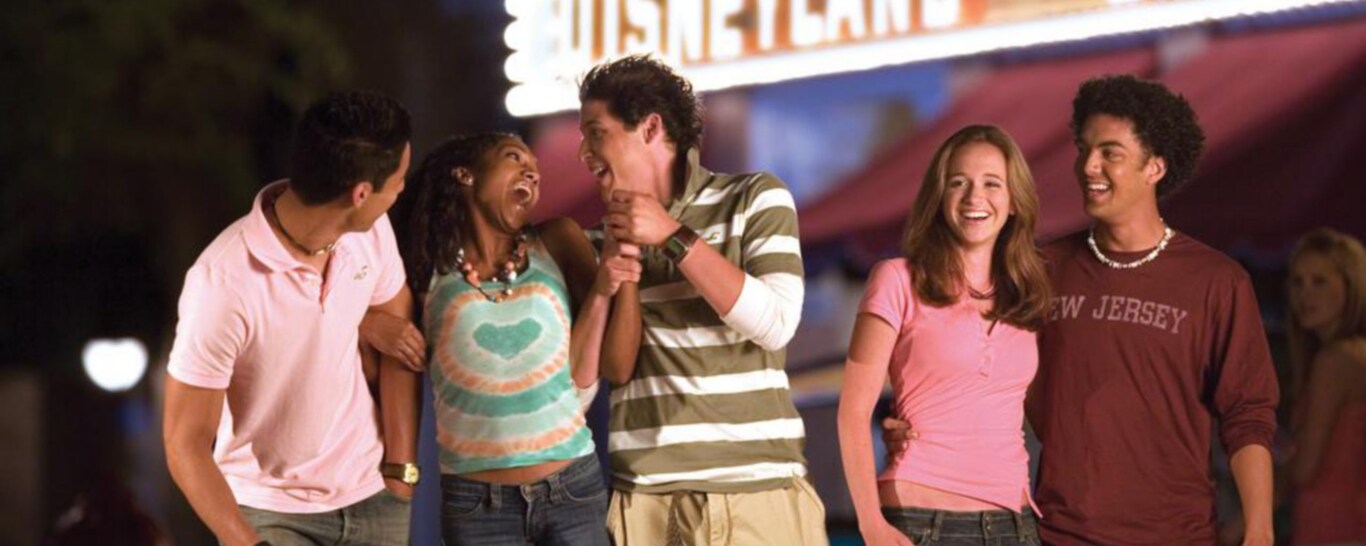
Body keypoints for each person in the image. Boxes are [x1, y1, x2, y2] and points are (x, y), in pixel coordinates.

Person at [576, 55, 827, 545]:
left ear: (650, 128)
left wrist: (672, 236)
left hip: (760, 491)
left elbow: (776, 325)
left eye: (596, 133)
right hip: (646, 502)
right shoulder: (594, 245)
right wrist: (605, 283)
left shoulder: (755, 198)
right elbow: (578, 395)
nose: (583, 152)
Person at [162, 91, 420, 546]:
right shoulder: (222, 284)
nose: (400, 191)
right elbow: (185, 442)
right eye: (398, 182)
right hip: (270, 515)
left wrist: (401, 473)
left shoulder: (370, 231)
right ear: (360, 193)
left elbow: (400, 339)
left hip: (373, 500)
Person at [360, 132, 639, 545]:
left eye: (536, 170)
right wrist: (367, 323)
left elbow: (617, 365)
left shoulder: (557, 240)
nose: (532, 173)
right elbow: (370, 348)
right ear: (465, 175)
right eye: (514, 157)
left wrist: (625, 272)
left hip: (573, 492)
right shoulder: (422, 264)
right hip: (476, 506)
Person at [839, 125, 1051, 546]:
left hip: (1015, 525)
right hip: (922, 520)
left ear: (1014, 202)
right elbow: (852, 414)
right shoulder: (897, 279)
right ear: (939, 197)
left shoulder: (1029, 294)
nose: (975, 197)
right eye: (958, 183)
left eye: (992, 183)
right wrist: (870, 524)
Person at [1283, 228, 1366, 545]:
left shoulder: (1335, 360)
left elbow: (1306, 468)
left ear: (1351, 286)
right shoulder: (1352, 355)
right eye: (1297, 282)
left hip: (1334, 530)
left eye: (1320, 281)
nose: (1305, 294)